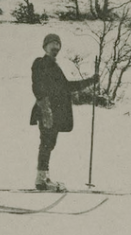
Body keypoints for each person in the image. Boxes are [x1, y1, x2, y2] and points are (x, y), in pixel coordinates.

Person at [30, 33, 99, 191]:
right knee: (47, 143)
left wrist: (90, 82)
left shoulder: (54, 66)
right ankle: (41, 180)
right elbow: (36, 85)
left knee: (49, 143)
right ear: (45, 46)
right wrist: (44, 105)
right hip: (46, 110)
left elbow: (66, 87)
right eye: (52, 44)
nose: (55, 48)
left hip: (55, 111)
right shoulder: (40, 63)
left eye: (58, 45)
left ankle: (43, 178)